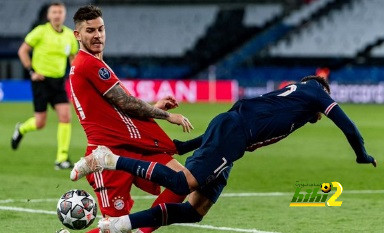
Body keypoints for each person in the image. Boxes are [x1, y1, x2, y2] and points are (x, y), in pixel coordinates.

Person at [71, 76, 377, 232]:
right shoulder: (313, 92)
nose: (322, 114)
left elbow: (220, 129)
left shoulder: (293, 103)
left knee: (195, 211)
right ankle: (108, 159)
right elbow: (348, 125)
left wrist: (181, 147)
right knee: (182, 184)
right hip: (234, 133)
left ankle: (117, 225)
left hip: (232, 139)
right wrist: (361, 153)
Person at [69, 5, 194, 233]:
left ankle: (142, 230)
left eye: (101, 29)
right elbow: (126, 102)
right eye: (90, 31)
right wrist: (167, 116)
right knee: (114, 227)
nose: (97, 35)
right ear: (77, 35)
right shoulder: (88, 64)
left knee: (183, 181)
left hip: (132, 143)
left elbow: (115, 109)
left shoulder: (93, 63)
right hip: (106, 153)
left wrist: (152, 106)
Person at [12, 1, 78, 170]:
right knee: (40, 123)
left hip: (58, 82)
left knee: (65, 116)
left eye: (60, 12)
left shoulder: (70, 35)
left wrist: (75, 76)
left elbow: (73, 59)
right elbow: (22, 51)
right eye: (54, 12)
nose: (57, 15)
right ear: (49, 15)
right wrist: (31, 71)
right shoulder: (40, 31)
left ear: (64, 15)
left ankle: (61, 158)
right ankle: (21, 129)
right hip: (40, 81)